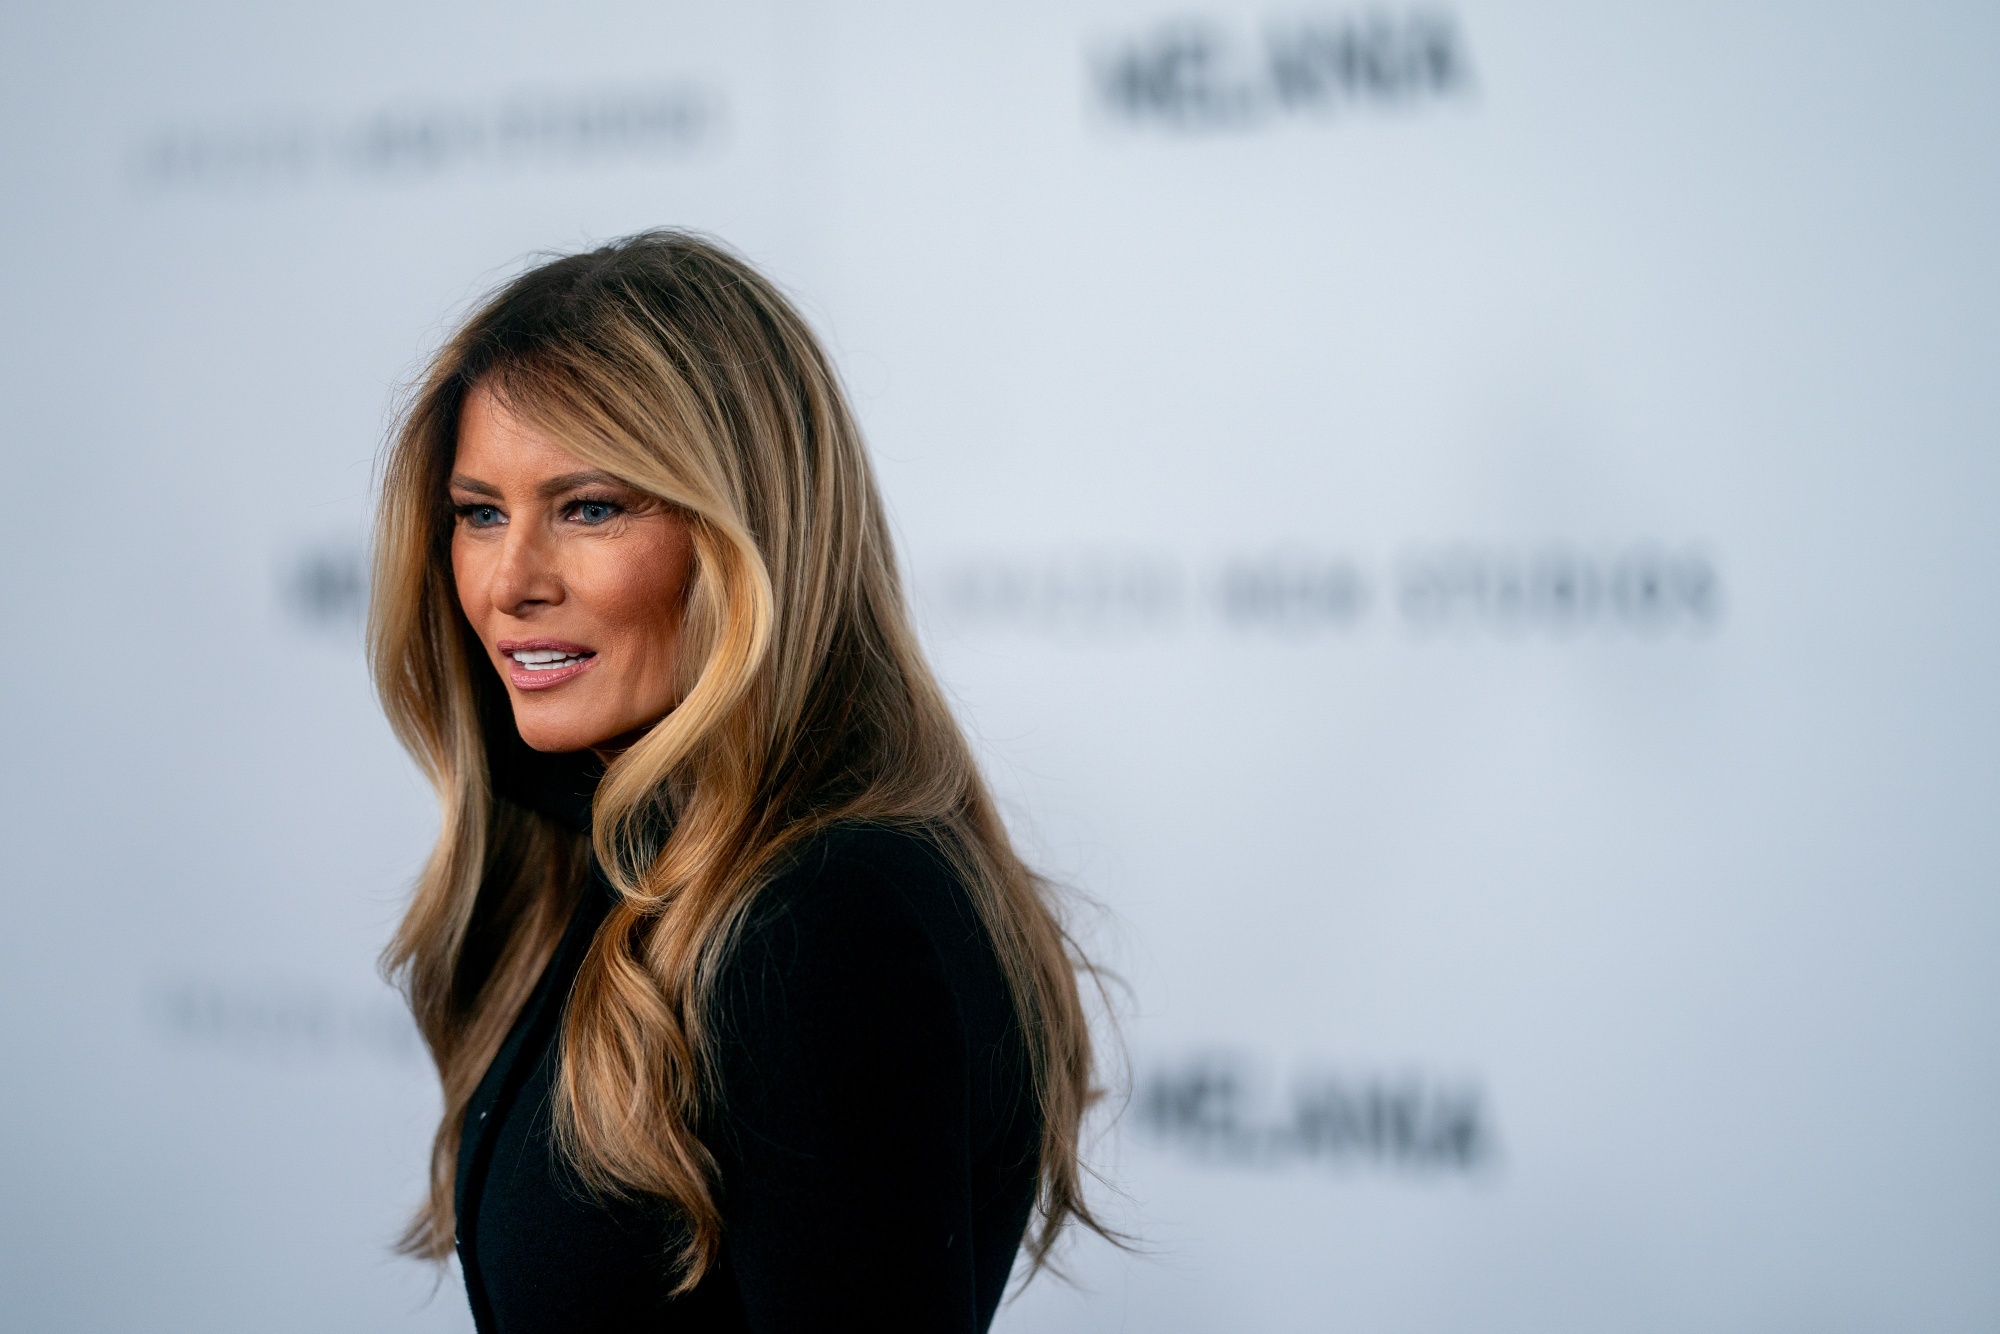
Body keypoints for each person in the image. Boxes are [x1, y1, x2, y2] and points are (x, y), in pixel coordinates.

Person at [367, 230, 1107, 1332]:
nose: (508, 580)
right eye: (479, 512)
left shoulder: (822, 919)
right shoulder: (624, 859)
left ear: (745, 530)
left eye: (589, 507)